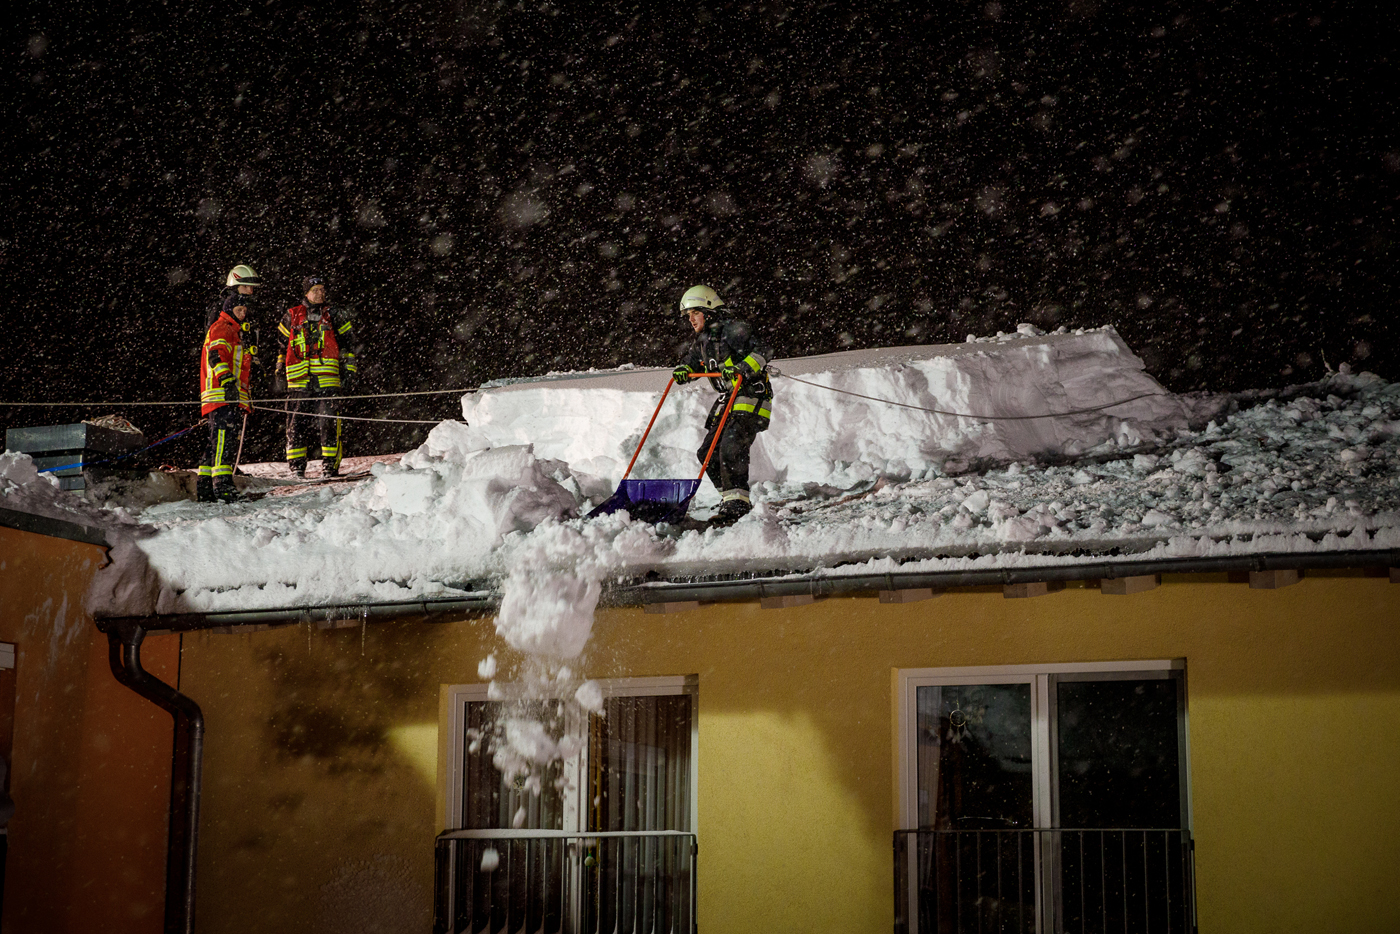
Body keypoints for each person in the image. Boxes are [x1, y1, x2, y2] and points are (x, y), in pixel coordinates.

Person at [670, 284, 774, 527]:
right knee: (706, 453)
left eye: (694, 313)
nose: (691, 320)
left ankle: (737, 504)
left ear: (709, 310)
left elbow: (765, 349)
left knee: (731, 445)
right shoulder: (703, 341)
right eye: (688, 315)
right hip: (729, 398)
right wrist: (685, 370)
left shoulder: (735, 330)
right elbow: (692, 361)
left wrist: (742, 368)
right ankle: (731, 498)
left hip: (750, 396)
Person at [276, 275, 360, 477]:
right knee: (296, 423)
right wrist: (279, 370)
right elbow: (281, 346)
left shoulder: (335, 314)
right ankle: (297, 467)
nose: (321, 293)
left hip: (327, 378)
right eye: (316, 290)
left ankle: (330, 466)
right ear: (306, 293)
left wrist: (349, 369)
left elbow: (348, 344)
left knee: (329, 422)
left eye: (322, 289)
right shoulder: (291, 315)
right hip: (298, 379)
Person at [197, 264, 260, 503]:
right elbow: (216, 356)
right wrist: (227, 382)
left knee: (214, 442)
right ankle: (222, 486)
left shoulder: (233, 328)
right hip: (222, 393)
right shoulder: (222, 326)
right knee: (224, 440)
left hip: (223, 393)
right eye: (240, 307)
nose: (244, 311)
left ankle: (204, 487)